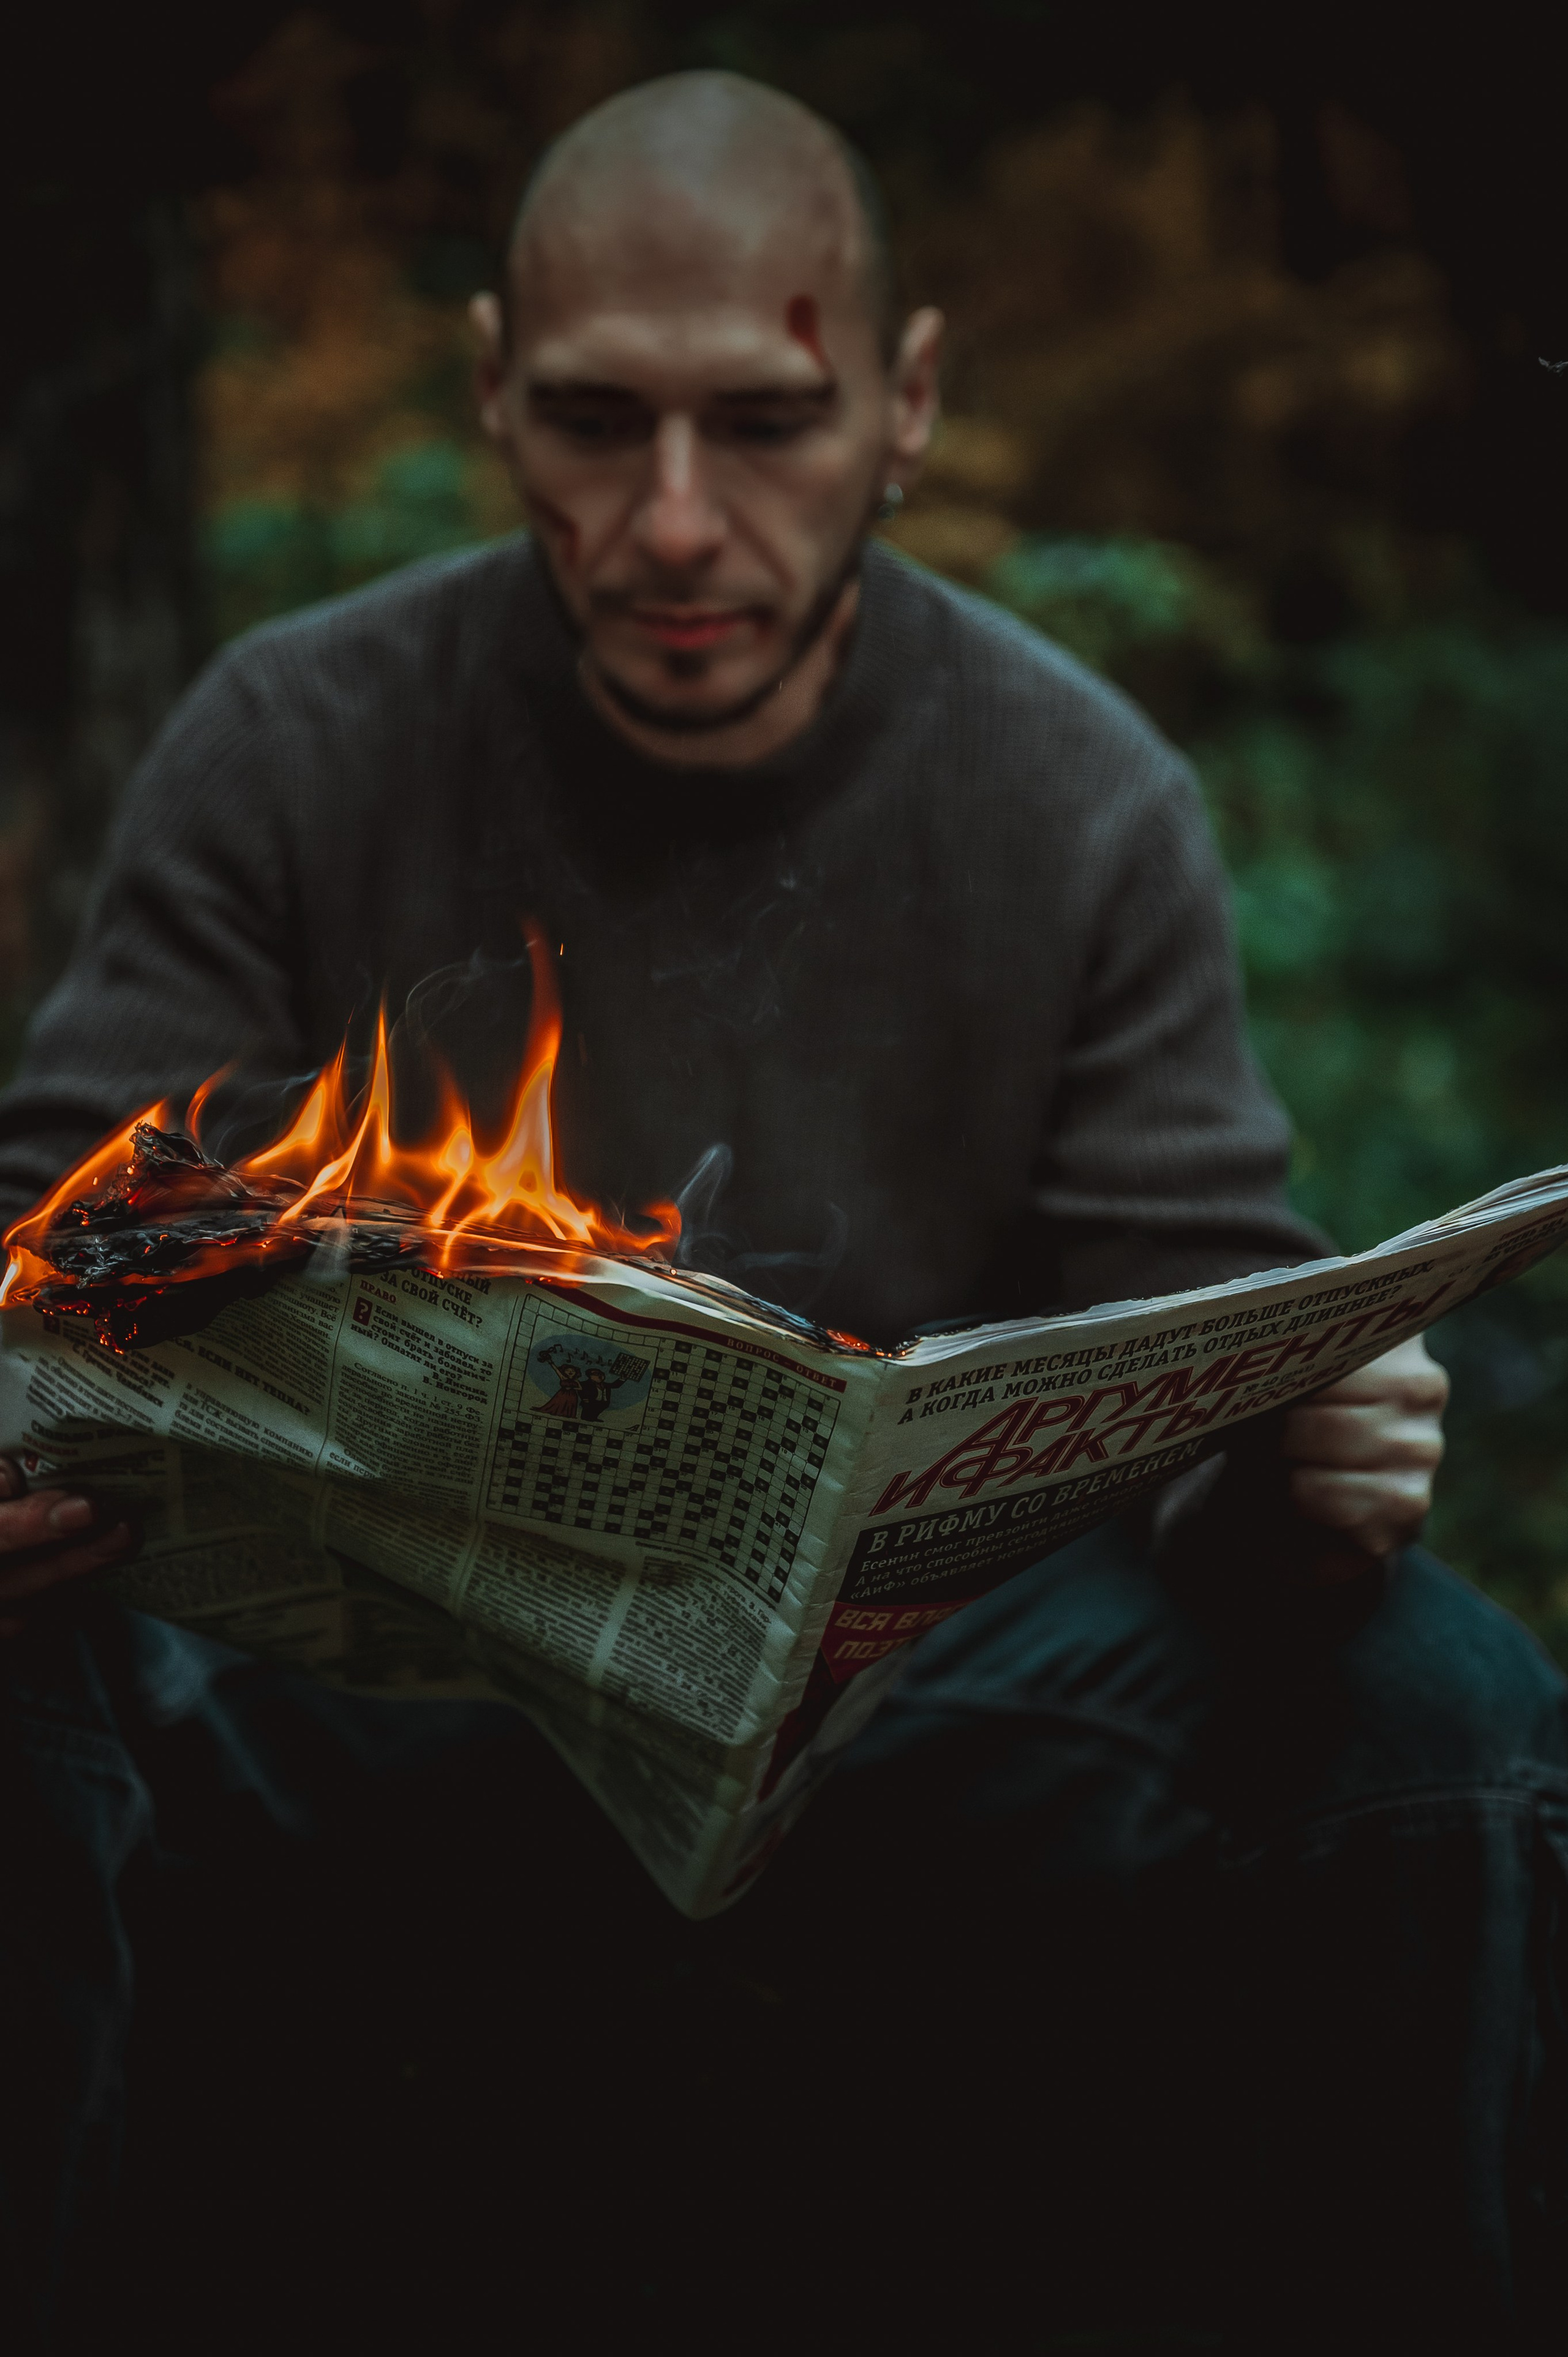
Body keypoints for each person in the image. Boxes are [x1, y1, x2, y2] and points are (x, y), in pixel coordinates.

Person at [0, 71, 1561, 2350]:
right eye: (593, 421)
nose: (672, 522)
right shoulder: (295, 739)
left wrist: (1303, 1469)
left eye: (764, 423)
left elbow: (1203, 1318)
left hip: (912, 1734)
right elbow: (57, 1243)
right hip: (352, 1706)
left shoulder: (1076, 797)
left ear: (905, 404)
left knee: (1448, 1717)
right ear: (488, 393)